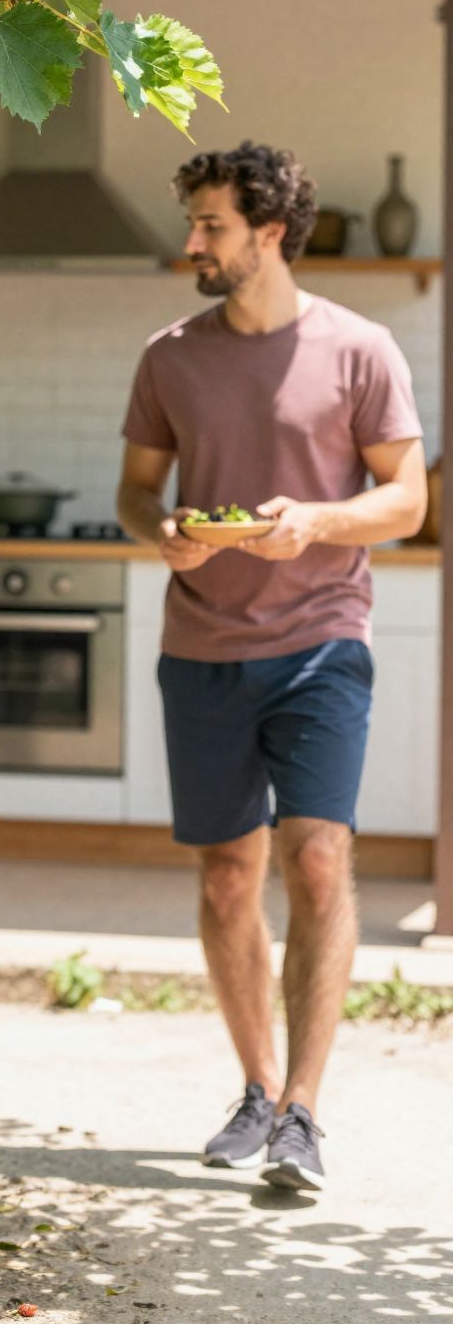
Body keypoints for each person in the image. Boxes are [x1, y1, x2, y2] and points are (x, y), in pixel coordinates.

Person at [117, 143, 426, 1192]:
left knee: (321, 857)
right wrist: (164, 530)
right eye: (194, 223)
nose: (193, 242)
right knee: (225, 873)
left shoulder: (360, 349)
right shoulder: (170, 356)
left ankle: (303, 1110)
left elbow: (408, 500)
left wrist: (322, 520)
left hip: (323, 638)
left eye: (210, 225)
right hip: (201, 644)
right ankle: (254, 1091)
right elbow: (133, 489)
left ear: (270, 233)